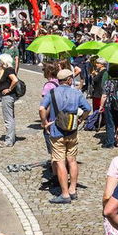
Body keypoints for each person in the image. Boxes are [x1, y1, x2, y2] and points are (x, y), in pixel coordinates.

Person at [42, 67, 87, 200]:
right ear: (69, 80)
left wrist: (45, 123)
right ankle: (72, 189)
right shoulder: (76, 93)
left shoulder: (52, 92)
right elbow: (87, 108)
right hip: (72, 131)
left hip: (57, 131)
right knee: (72, 160)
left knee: (60, 162)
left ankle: (65, 194)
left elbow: (41, 108)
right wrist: (80, 120)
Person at [0, 53, 21, 147]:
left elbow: (15, 80)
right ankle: (11, 137)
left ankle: (9, 141)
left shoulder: (9, 70)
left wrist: (9, 89)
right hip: (9, 97)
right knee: (10, 118)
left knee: (8, 119)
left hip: (8, 97)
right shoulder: (8, 69)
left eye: (0, 61)